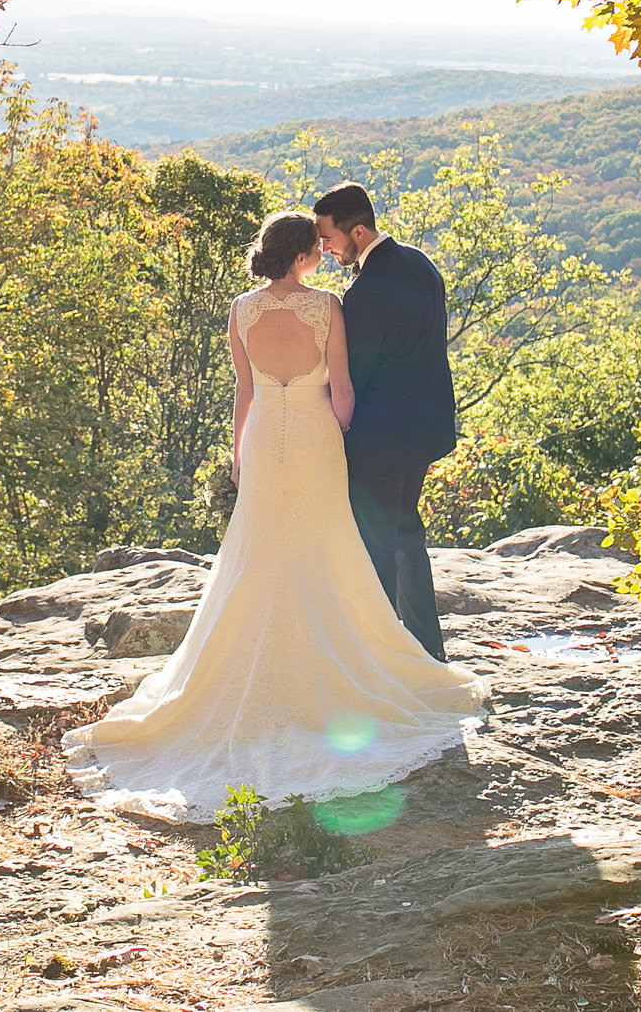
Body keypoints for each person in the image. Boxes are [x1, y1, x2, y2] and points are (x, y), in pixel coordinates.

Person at [63, 212, 484, 819]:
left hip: (261, 437)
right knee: (325, 543)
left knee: (256, 550)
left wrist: (239, 454)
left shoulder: (241, 309)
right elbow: (341, 392)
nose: (322, 252)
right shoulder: (328, 308)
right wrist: (344, 435)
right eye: (316, 246)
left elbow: (244, 392)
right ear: (302, 254)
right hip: (314, 435)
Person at [312, 182, 456, 661]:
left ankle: (381, 653)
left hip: (380, 435)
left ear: (357, 230)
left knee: (375, 540)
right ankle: (424, 649)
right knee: (404, 530)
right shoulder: (421, 262)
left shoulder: (367, 290)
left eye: (328, 238)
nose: (324, 248)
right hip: (424, 426)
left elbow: (354, 372)